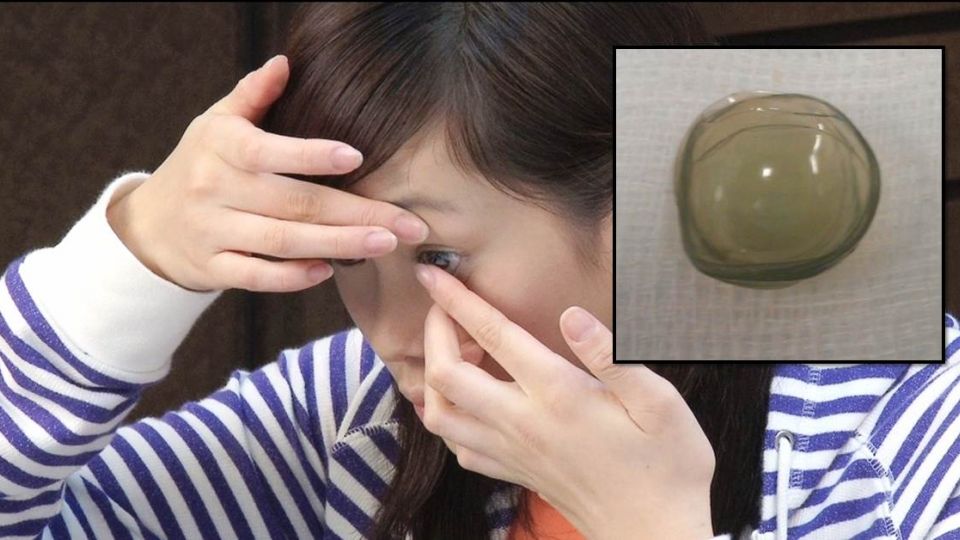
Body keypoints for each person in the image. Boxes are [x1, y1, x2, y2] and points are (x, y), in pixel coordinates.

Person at [0, 3, 957, 539]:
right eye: (352, 255)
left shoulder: (904, 423)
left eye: (439, 256)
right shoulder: (354, 419)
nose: (389, 334)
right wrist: (134, 255)